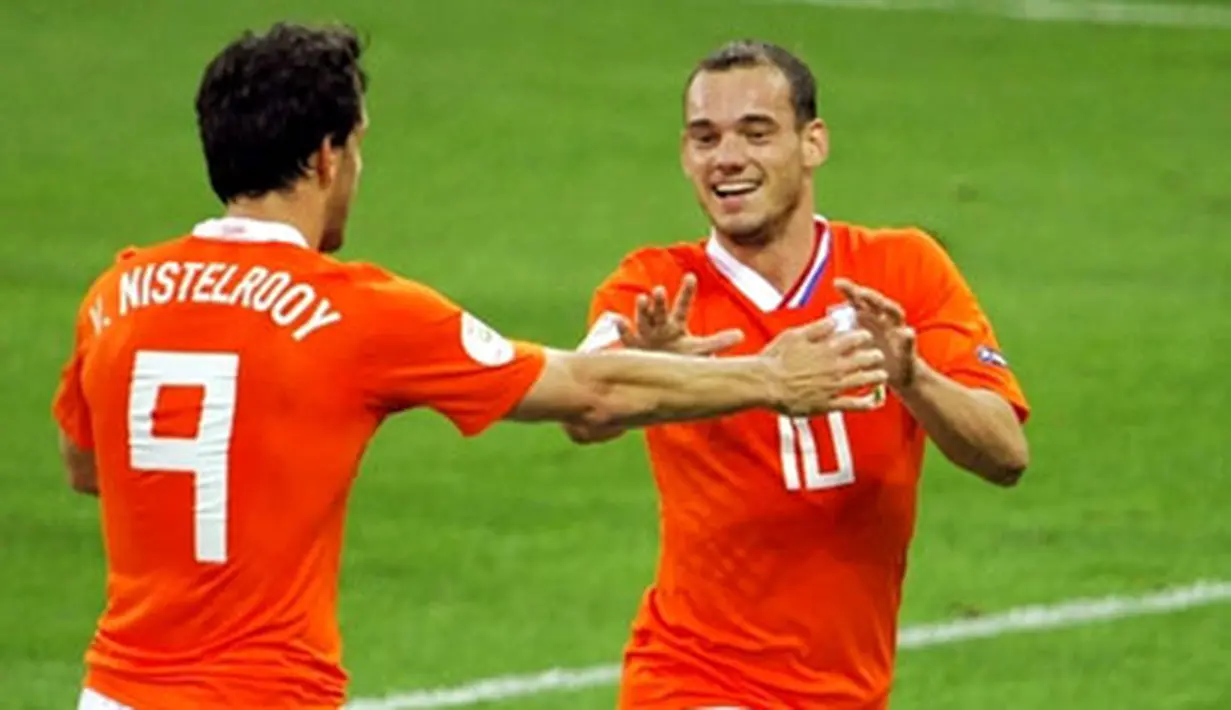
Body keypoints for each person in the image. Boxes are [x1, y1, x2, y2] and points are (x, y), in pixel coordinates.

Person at [50, 25, 892, 710]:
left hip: (114, 693)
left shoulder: (117, 293)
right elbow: (587, 386)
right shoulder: (358, 311)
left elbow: (88, 467)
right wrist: (770, 378)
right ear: (325, 157)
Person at [567, 40, 1032, 709]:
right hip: (693, 680)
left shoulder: (902, 270)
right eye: (705, 138)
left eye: (755, 133)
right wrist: (655, 367)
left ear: (812, 143)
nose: (726, 158)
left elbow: (1005, 456)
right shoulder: (657, 288)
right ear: (684, 155)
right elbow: (585, 407)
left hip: (849, 690)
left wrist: (913, 378)